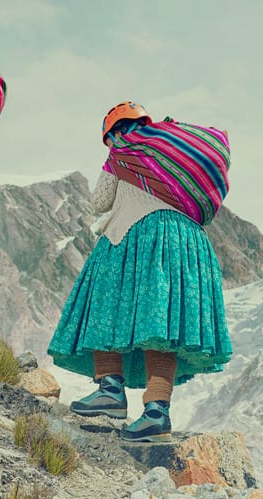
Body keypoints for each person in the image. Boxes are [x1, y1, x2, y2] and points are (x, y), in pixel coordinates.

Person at [50, 103, 233, 440]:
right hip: (186, 243)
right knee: (161, 326)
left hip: (136, 233)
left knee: (104, 305)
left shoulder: (123, 149)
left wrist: (112, 159)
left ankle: (110, 391)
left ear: (111, 131)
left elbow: (100, 201)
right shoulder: (171, 153)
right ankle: (156, 410)